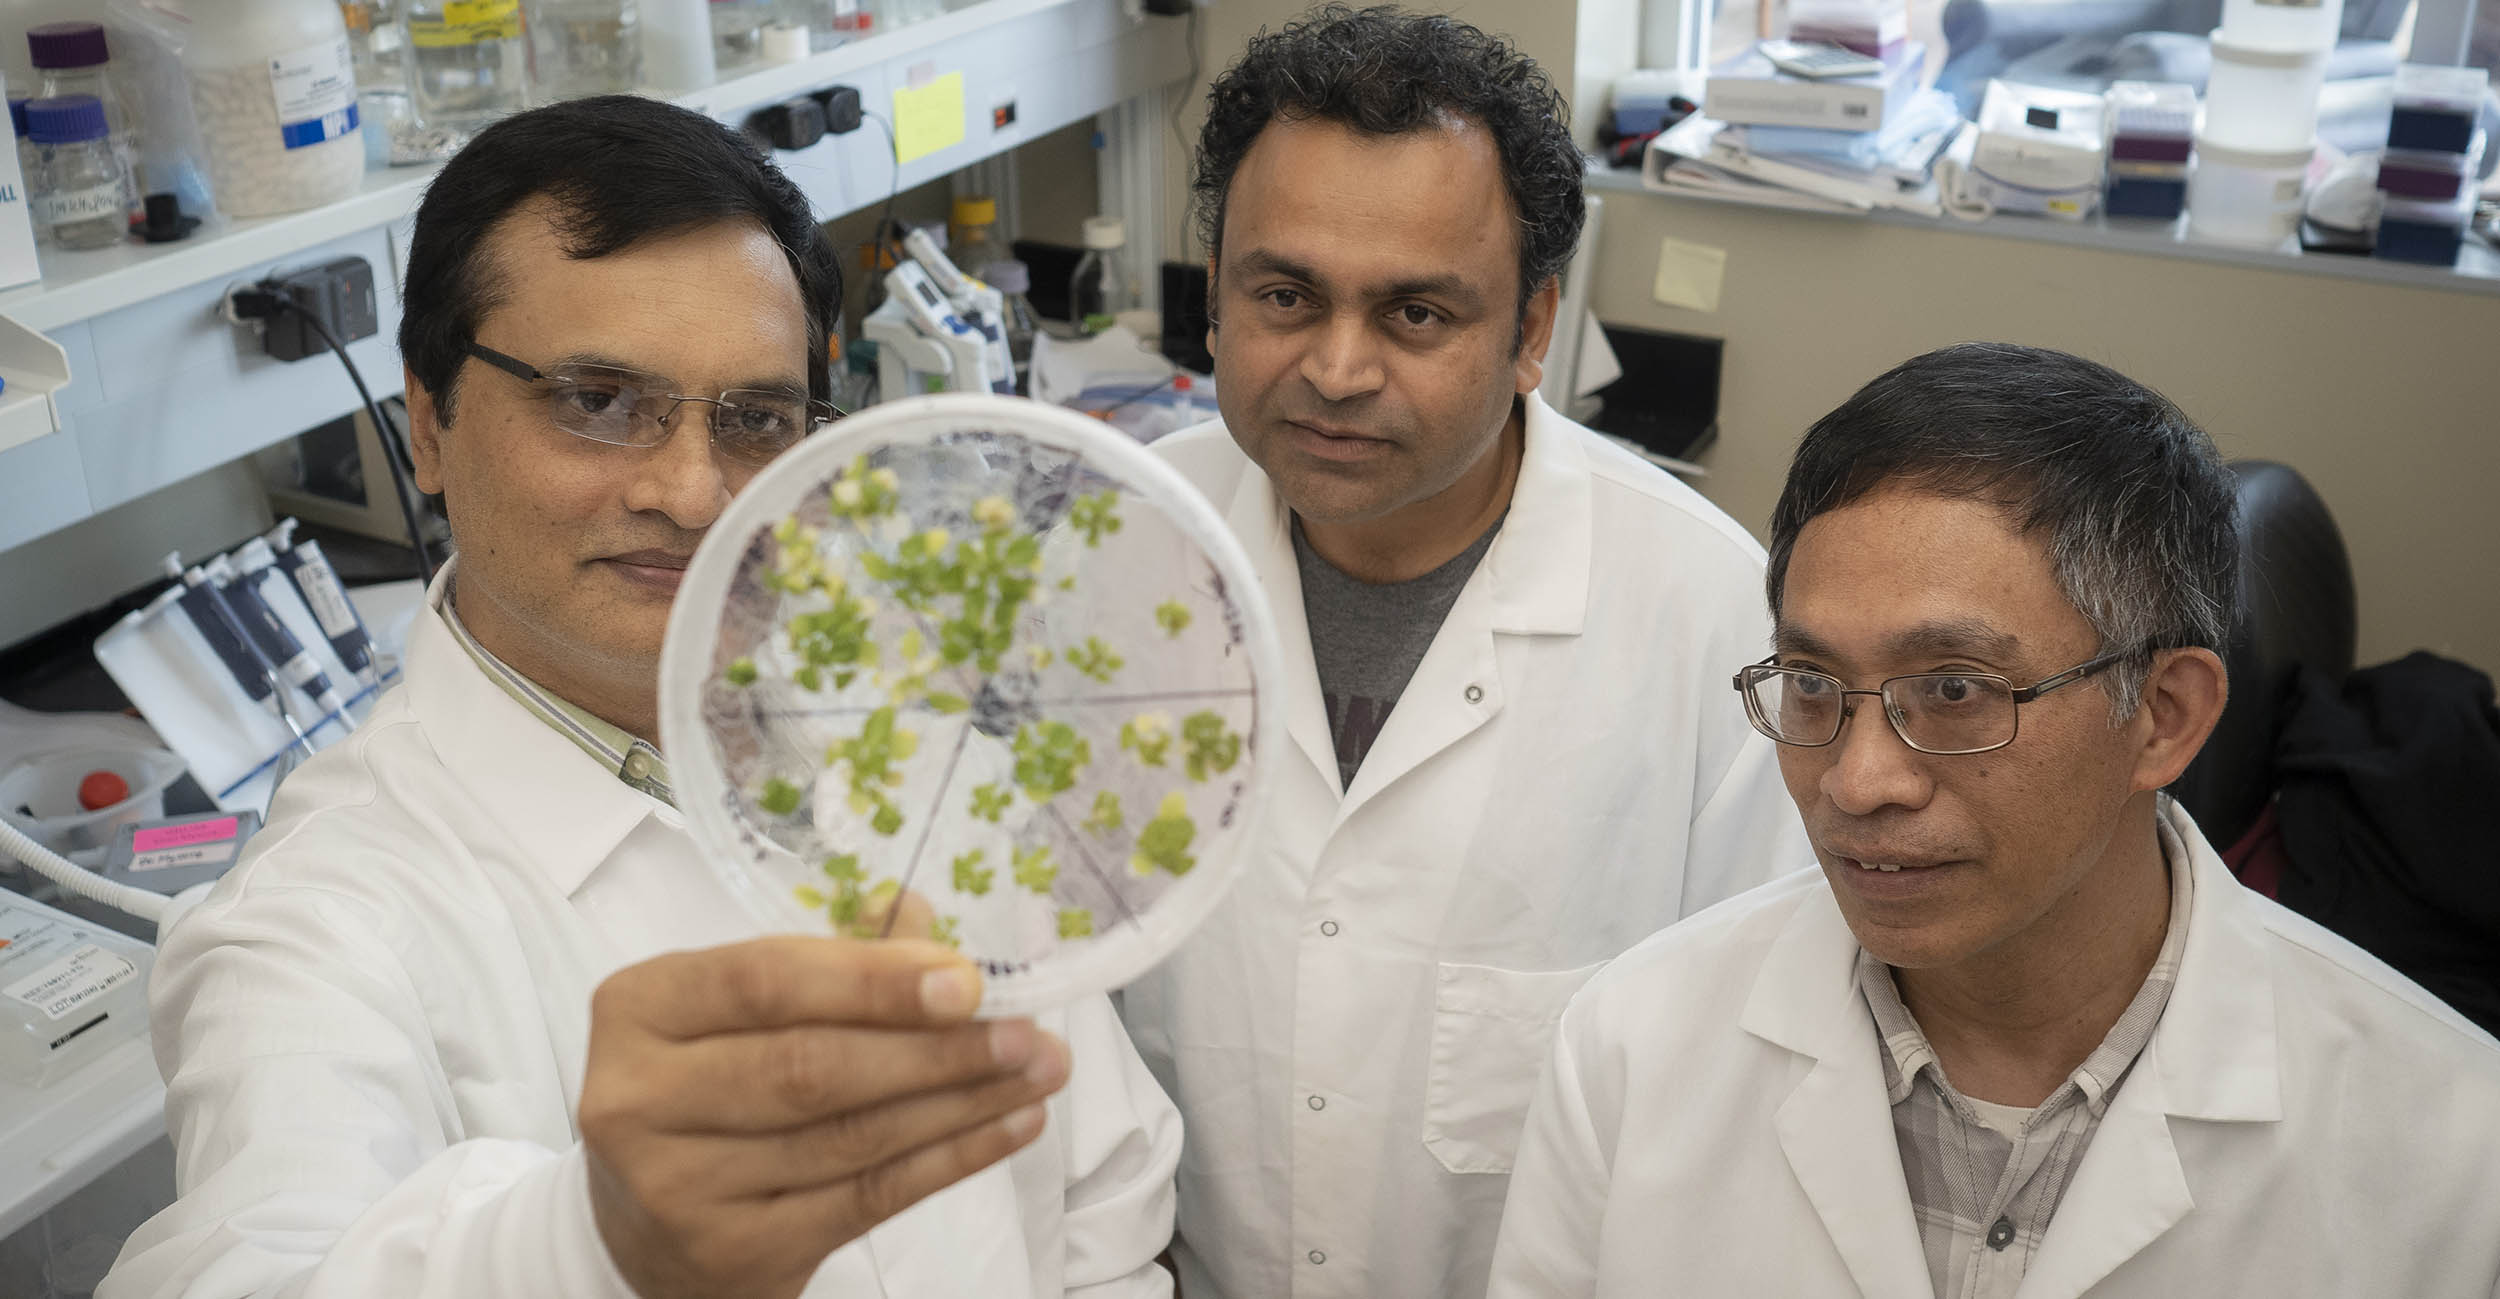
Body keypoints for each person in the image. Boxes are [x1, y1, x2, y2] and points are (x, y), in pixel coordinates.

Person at [103, 97, 1180, 1299]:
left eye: (755, 419)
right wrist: (591, 1243)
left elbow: (1105, 1208)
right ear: (429, 425)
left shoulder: (915, 739)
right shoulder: (320, 924)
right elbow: (254, 1268)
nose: (693, 492)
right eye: (598, 401)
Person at [1486, 343, 2500, 1297]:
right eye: (1810, 681)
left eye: (1957, 690)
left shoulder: (2453, 1148)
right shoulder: (1632, 1044)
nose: (1857, 780)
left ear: (2164, 715)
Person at [1118, 8, 1809, 1297]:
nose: (1334, 368)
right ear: (1215, 295)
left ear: (1532, 329)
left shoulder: (1714, 626)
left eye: (1416, 314)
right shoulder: (1114, 555)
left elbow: (1753, 1096)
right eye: (1283, 295)